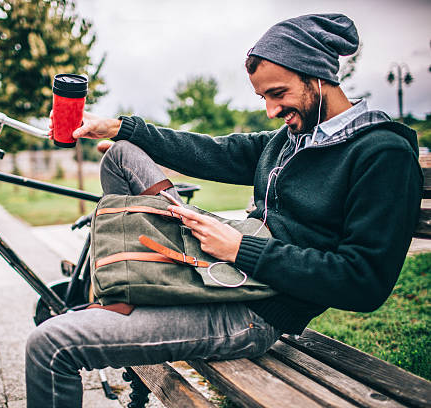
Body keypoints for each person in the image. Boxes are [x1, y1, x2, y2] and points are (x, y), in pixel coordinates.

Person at [26, 13, 423, 408]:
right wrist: (119, 128)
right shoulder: (293, 138)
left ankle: (132, 296)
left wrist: (239, 249)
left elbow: (364, 280)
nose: (271, 110)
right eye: (263, 97)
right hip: (221, 267)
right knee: (122, 155)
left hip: (253, 311)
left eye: (278, 93)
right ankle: (132, 283)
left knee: (50, 344)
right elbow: (214, 152)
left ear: (317, 76)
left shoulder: (381, 153)